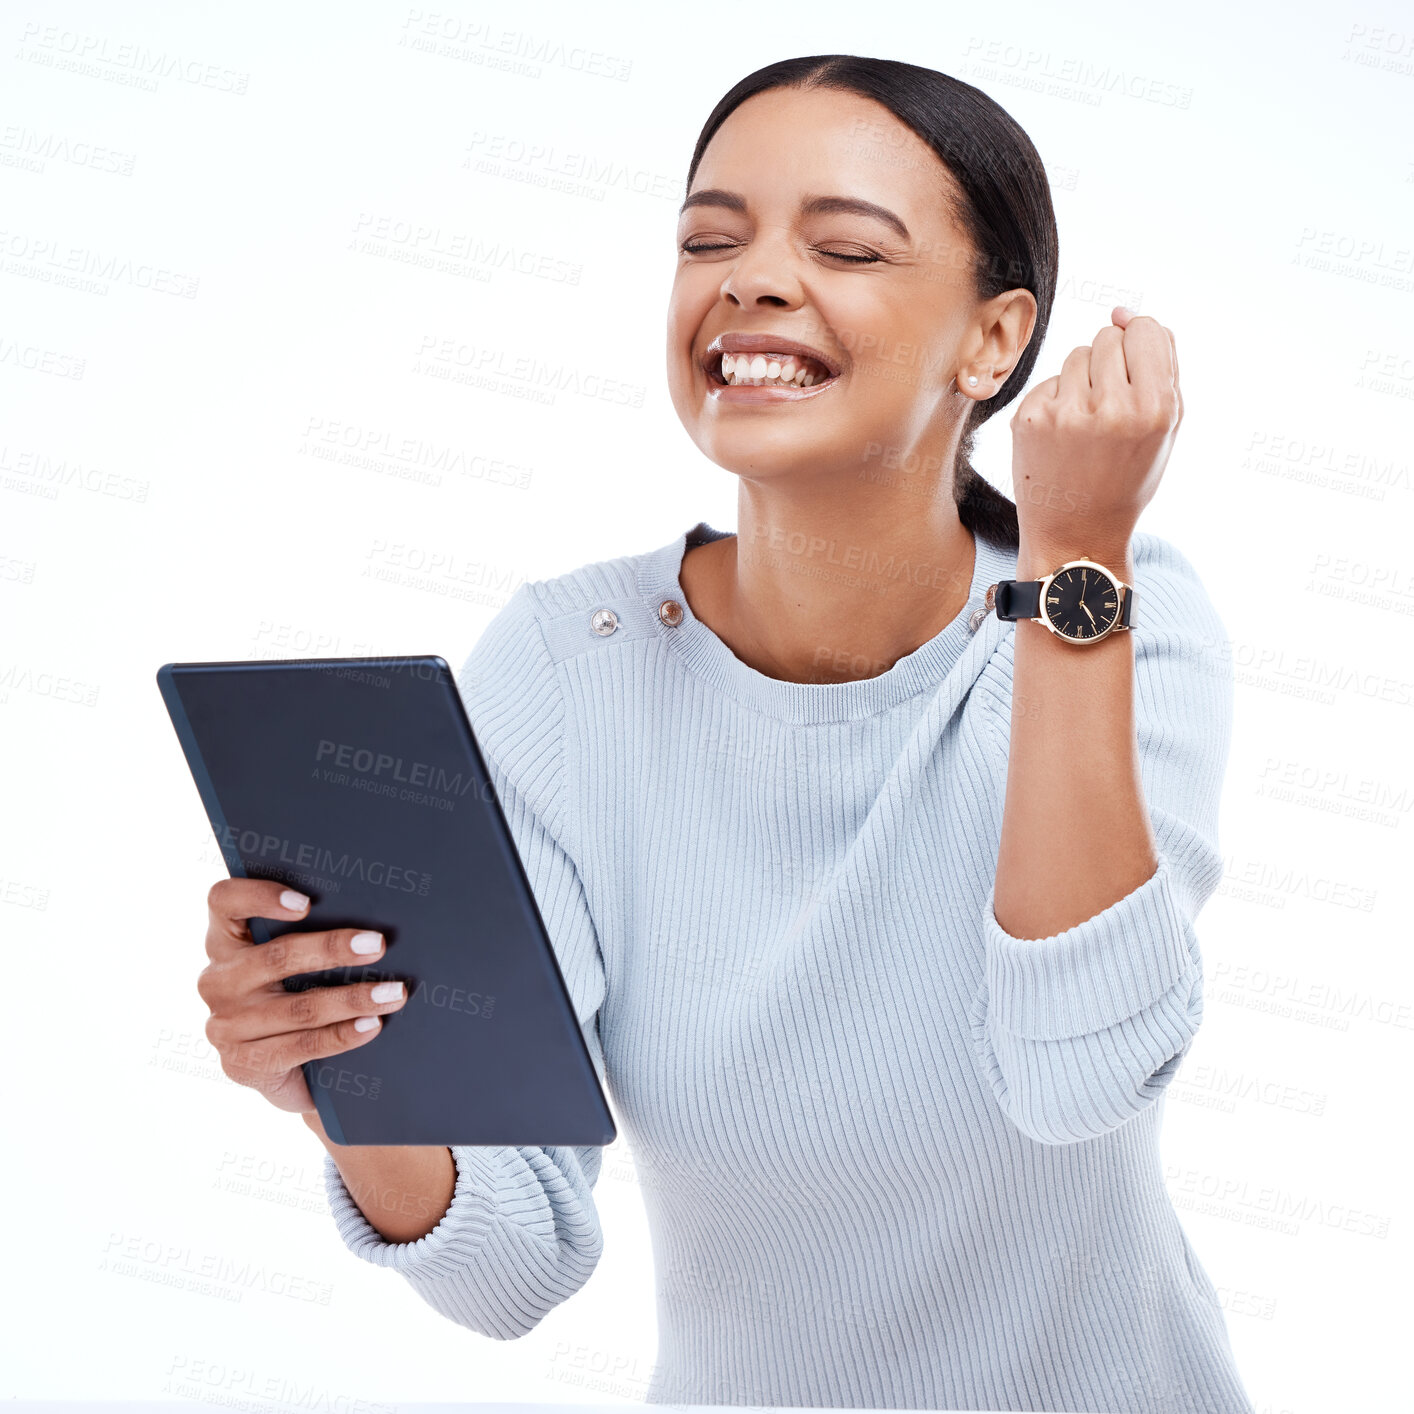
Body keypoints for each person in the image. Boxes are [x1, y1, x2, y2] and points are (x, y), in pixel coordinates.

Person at [198, 54, 1254, 1414]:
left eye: (844, 245)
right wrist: (346, 1078)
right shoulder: (566, 667)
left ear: (994, 342)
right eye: (709, 237)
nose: (746, 278)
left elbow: (1080, 1071)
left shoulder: (1110, 611)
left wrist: (1072, 558)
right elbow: (509, 1265)